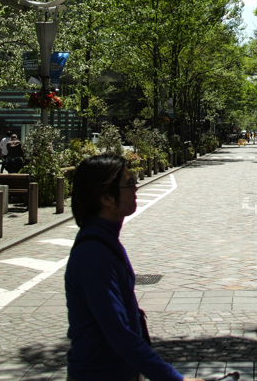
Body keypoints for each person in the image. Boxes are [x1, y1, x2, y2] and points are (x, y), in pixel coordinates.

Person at [66, 155, 205, 381]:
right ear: (107, 197)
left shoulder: (105, 241)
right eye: (129, 183)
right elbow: (118, 332)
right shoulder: (93, 255)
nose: (136, 187)